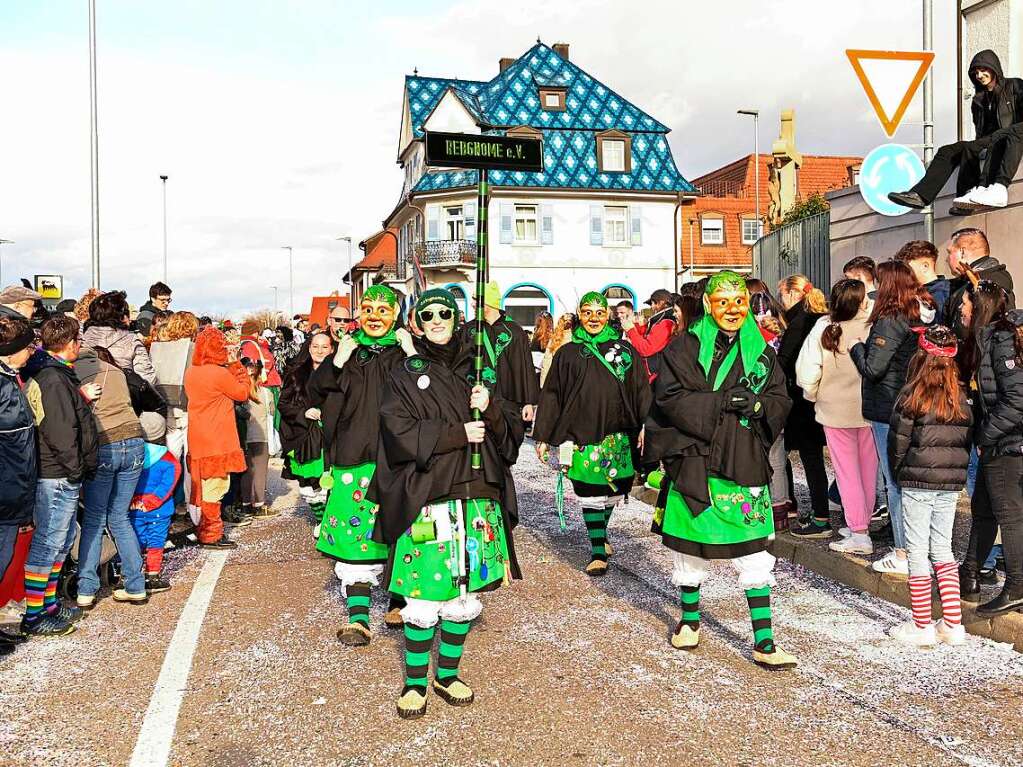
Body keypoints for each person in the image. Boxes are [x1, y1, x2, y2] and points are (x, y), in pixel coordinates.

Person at [371, 288, 525, 719]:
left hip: (477, 495)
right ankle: (415, 683)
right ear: (418, 323)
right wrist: (457, 434)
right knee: (423, 593)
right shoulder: (404, 372)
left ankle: (448, 673)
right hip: (430, 494)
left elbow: (510, 434)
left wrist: (490, 408)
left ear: (457, 318)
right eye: (428, 315)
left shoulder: (480, 367)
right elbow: (396, 429)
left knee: (464, 591)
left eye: (445, 313)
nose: (437, 320)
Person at [644, 272, 797, 669]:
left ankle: (764, 642)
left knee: (753, 552)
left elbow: (781, 397)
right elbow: (669, 398)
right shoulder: (684, 347)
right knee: (692, 550)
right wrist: (719, 401)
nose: (732, 309)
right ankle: (690, 622)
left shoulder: (762, 352)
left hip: (742, 458)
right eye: (723, 302)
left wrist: (759, 407)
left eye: (739, 301)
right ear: (709, 305)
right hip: (695, 457)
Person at [308, 285, 415, 646]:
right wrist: (337, 359)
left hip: (398, 456)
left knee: (403, 529)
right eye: (367, 308)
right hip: (353, 456)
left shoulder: (405, 352)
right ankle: (358, 617)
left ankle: (400, 601)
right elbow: (317, 391)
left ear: (396, 315)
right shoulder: (349, 351)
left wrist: (412, 351)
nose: (373, 316)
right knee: (357, 536)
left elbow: (428, 390)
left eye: (383, 310)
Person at [533, 292, 652, 576]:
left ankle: (601, 533)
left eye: (599, 313)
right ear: (579, 314)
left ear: (608, 316)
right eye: (587, 313)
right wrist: (543, 436)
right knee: (589, 493)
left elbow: (640, 388)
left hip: (618, 433)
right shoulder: (568, 353)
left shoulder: (625, 351)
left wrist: (647, 423)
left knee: (613, 490)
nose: (594, 319)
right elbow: (552, 395)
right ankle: (598, 549)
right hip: (581, 434)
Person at [884, 325, 973, 645]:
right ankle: (952, 623)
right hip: (949, 485)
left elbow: (897, 442)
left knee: (918, 551)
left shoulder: (911, 395)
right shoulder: (960, 396)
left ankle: (921, 624)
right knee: (943, 549)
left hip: (917, 481)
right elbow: (967, 441)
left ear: (920, 357)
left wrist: (898, 472)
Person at [851, 260, 935, 575]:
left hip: (887, 408)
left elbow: (874, 368)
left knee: (895, 483)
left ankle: (904, 553)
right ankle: (918, 550)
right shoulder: (919, 314)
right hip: (909, 404)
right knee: (912, 482)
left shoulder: (890, 321)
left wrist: (857, 348)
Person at [21, 316, 99, 636]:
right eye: (78, 341)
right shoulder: (53, 378)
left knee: (62, 540)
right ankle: (35, 614)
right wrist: (75, 469)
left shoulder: (55, 375)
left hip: (59, 472)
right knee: (48, 542)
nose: (79, 346)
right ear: (69, 344)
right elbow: (59, 430)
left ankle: (49, 604)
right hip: (56, 474)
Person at [889, 50, 1023, 213]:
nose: (980, 75)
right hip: (990, 139)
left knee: (972, 147)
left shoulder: (1014, 86)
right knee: (948, 151)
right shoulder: (978, 101)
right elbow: (979, 133)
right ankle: (920, 195)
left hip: (1012, 135)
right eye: (976, 72)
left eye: (983, 70)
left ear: (994, 68)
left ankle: (968, 196)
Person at [796, 279, 875, 554]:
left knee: (847, 472)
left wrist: (814, 394)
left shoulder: (825, 327)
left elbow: (806, 371)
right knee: (868, 471)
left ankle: (859, 531)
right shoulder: (874, 324)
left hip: (834, 408)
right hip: (870, 409)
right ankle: (861, 522)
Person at [74, 342, 149, 607]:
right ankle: (135, 585)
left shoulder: (72, 371)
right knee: (120, 517)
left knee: (94, 519)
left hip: (104, 443)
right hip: (134, 440)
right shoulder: (114, 370)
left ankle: (86, 588)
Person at [962, 299, 1023, 615]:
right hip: (999, 441)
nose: (961, 307)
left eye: (965, 303)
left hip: (1007, 444)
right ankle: (969, 574)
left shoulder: (1000, 339)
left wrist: (985, 436)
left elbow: (1016, 399)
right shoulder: (988, 337)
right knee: (983, 508)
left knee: (1010, 515)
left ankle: (1015, 589)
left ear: (979, 308)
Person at [184, 326, 250, 549]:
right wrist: (236, 366)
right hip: (218, 439)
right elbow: (242, 393)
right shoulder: (218, 373)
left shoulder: (192, 372)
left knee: (203, 488)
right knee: (216, 488)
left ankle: (205, 530)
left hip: (198, 436)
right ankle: (211, 533)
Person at [776, 275, 831, 536]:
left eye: (782, 295)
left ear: (792, 294)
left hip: (801, 400)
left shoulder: (799, 322)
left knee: (806, 458)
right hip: (819, 397)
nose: (780, 301)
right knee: (814, 459)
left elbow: (784, 361)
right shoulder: (820, 318)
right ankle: (816, 510)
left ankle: (816, 514)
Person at [0, 317, 38, 651]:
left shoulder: (11, 380)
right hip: (6, 486)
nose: (32, 352)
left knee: (4, 556)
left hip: (14, 485)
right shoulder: (3, 384)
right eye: (27, 347)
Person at [279, 330, 333, 534]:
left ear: (332, 349)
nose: (319, 350)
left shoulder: (341, 372)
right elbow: (283, 405)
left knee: (329, 483)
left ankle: (328, 521)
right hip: (303, 438)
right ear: (309, 348)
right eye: (315, 346)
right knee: (310, 486)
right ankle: (320, 519)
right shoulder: (296, 375)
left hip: (330, 437)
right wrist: (304, 412)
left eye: (324, 347)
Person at [464, 280, 540, 422]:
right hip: (476, 402)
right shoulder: (469, 330)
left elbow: (524, 367)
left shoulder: (514, 331)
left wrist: (528, 402)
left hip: (507, 404)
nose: (473, 304)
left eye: (477, 300)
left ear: (490, 302)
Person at [129, 412, 181, 594]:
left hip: (134, 508)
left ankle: (131, 572)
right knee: (156, 542)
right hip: (159, 509)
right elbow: (167, 485)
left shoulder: (132, 455)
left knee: (136, 539)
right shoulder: (169, 459)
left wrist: (133, 500)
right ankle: (152, 575)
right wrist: (152, 501)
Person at [944, 228, 1016, 337]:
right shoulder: (992, 281)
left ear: (962, 252)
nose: (947, 259)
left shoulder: (981, 287)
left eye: (950, 252)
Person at [81, 291, 158, 384]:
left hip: (86, 393)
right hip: (123, 394)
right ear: (122, 317)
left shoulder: (80, 341)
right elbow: (147, 379)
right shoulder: (131, 341)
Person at [240, 358, 276, 517]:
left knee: (246, 472)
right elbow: (272, 413)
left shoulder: (240, 393)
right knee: (260, 472)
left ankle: (245, 503)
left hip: (244, 437)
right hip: (261, 436)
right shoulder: (266, 394)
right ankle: (259, 504)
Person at [621, 288, 677, 382]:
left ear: (661, 303)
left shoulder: (666, 322)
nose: (651, 307)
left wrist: (631, 330)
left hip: (656, 375)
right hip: (654, 373)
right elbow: (647, 337)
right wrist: (637, 327)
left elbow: (646, 349)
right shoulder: (661, 320)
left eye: (652, 303)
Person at [896, 240, 951, 319]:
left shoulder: (940, 295)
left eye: (908, 269)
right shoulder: (916, 293)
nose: (904, 273)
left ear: (925, 266)